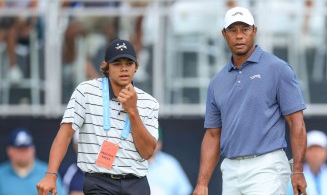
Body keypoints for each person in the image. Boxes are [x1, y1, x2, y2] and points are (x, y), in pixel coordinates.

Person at [193, 7, 307, 195]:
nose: (239, 36)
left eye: (244, 29)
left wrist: (298, 170)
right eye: (233, 30)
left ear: (254, 31)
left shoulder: (278, 68)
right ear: (224, 34)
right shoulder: (217, 81)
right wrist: (202, 183)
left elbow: (296, 122)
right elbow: (213, 134)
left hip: (266, 166)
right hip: (230, 169)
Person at [36, 38, 159, 195]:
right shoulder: (85, 91)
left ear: (136, 67)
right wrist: (51, 175)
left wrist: (133, 111)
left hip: (137, 183)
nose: (124, 69)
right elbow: (65, 135)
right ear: (105, 67)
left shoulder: (149, 102)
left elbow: (148, 152)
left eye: (129, 63)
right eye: (117, 63)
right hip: (100, 183)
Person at [0, 128, 66, 195]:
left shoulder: (49, 172)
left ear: (33, 149)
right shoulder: (1, 174)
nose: (23, 153)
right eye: (19, 149)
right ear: (9, 150)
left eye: (26, 149)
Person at [286, 130, 327, 195]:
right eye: (311, 149)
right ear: (304, 153)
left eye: (319, 149)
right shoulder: (293, 179)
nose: (315, 154)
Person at [147, 127, 192, 195]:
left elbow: (184, 191)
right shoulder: (131, 163)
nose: (153, 144)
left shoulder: (170, 163)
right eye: (148, 140)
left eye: (156, 140)